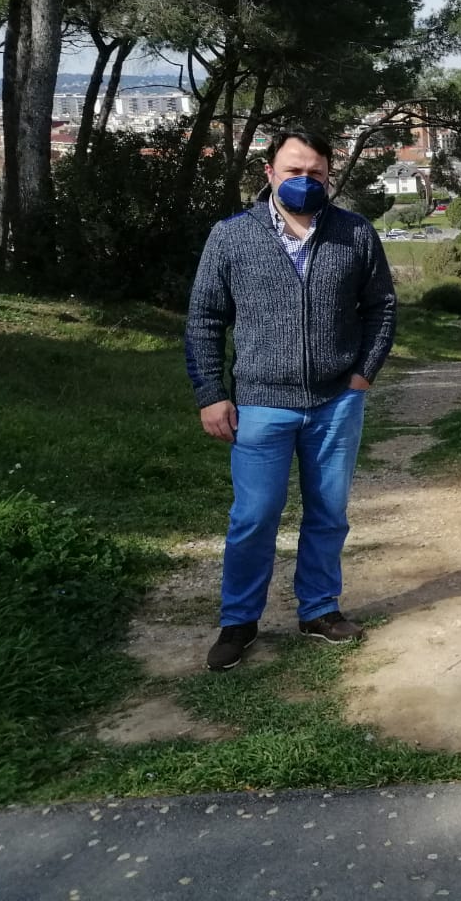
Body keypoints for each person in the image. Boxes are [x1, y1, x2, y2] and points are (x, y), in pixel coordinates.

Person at [186, 129, 397, 672]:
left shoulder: (354, 233)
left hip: (335, 403)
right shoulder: (231, 237)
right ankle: (239, 623)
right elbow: (205, 319)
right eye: (294, 172)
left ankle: (320, 610)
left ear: (330, 176)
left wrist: (362, 377)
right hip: (260, 404)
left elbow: (381, 309)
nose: (305, 181)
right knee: (254, 516)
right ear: (269, 173)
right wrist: (212, 394)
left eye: (316, 174)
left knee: (328, 513)